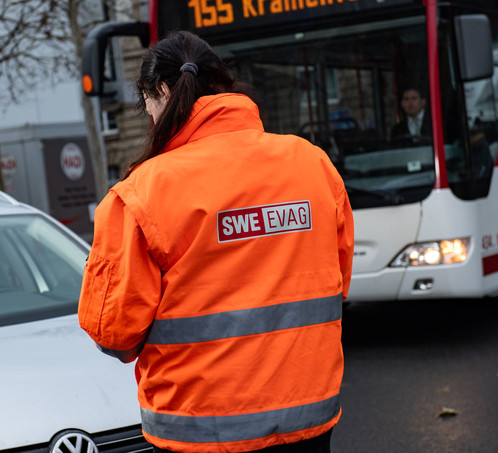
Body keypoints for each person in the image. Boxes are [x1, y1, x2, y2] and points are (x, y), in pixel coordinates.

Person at [78, 31, 354, 453]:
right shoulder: (312, 163)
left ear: (164, 90)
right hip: (308, 419)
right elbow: (336, 283)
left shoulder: (141, 193)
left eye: (148, 105)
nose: (152, 118)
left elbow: (115, 334)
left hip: (202, 431)